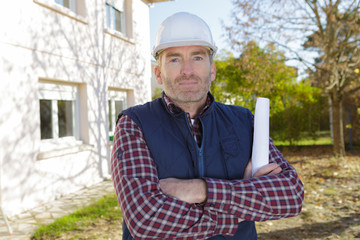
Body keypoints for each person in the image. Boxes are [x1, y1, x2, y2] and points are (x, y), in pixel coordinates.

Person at [111, 12, 304, 240]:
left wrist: (200, 190)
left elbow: (290, 195)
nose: (187, 70)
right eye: (174, 59)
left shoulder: (244, 121)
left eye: (198, 58)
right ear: (158, 74)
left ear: (212, 70)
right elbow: (146, 219)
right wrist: (239, 206)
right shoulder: (134, 124)